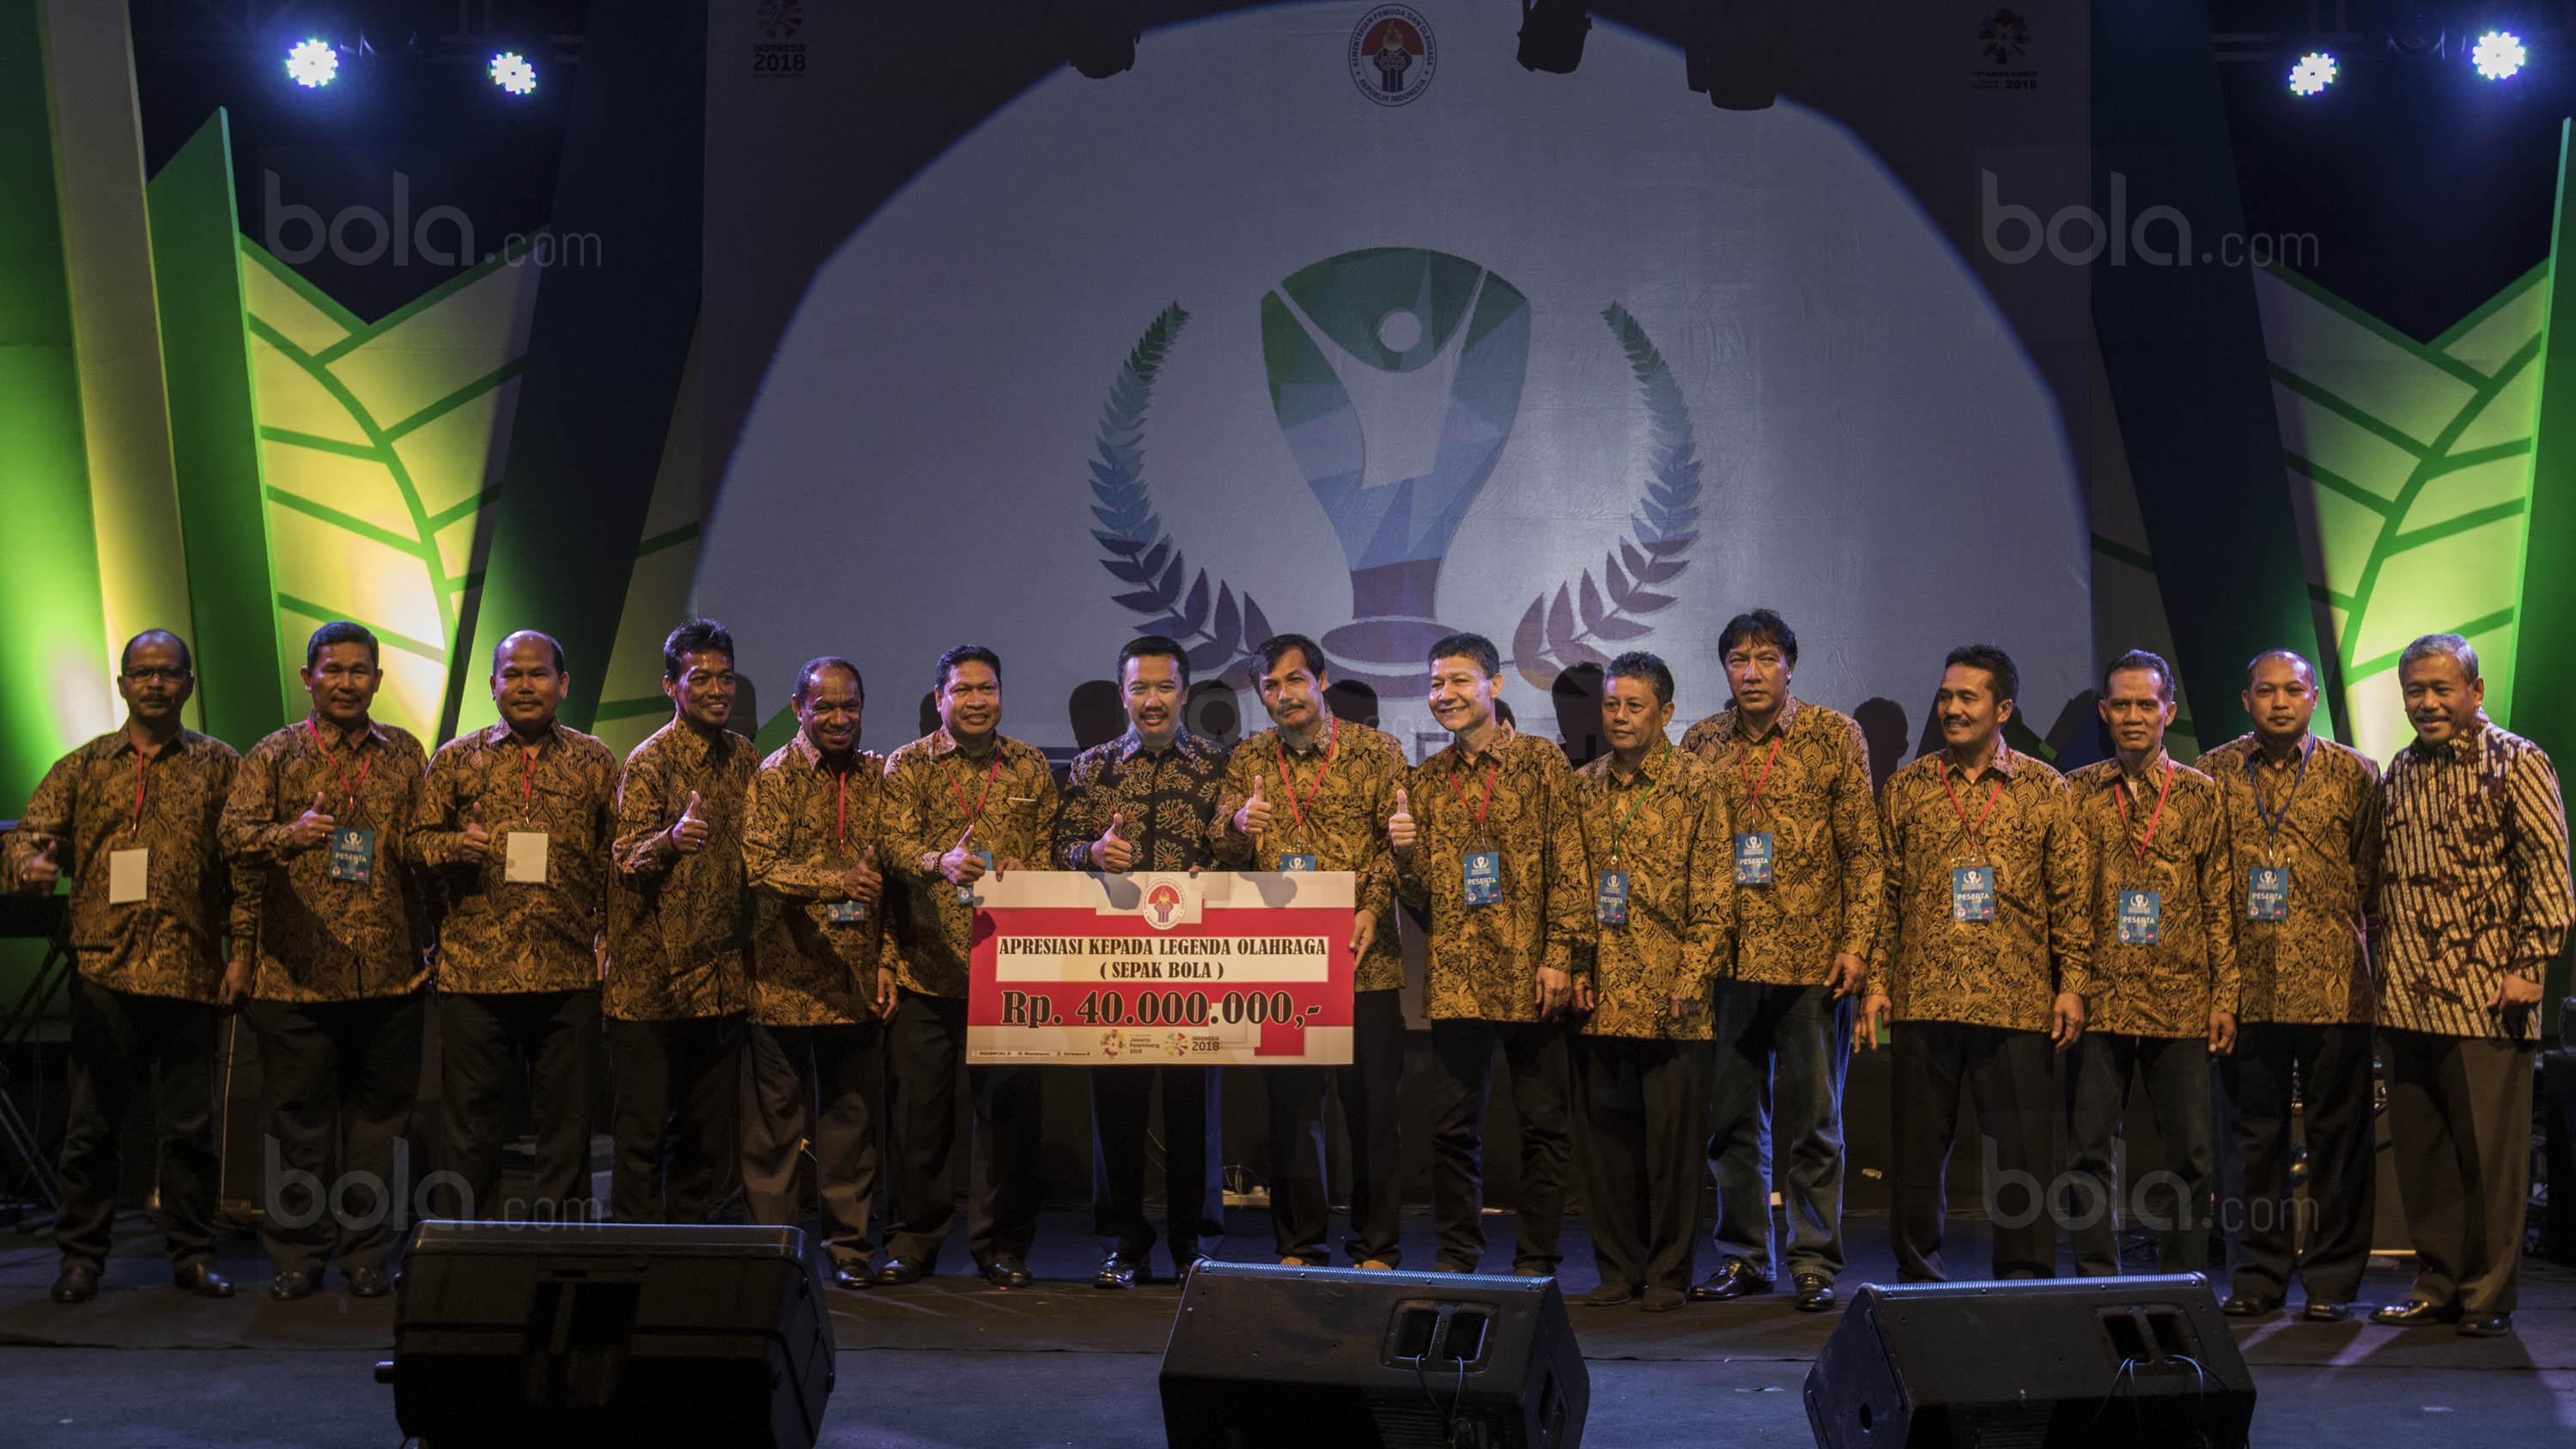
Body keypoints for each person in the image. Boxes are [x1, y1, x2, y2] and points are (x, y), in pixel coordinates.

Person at [9, 632, 244, 1303]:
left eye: (169, 673)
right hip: (103, 969)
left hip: (191, 972)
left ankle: (193, 1256)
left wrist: (242, 955)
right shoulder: (83, 767)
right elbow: (27, 836)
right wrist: (29, 865)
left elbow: (245, 871)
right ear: (122, 685)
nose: (155, 683)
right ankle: (81, 1260)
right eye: (142, 673)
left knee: (191, 1135)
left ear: (188, 685)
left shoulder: (220, 766)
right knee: (91, 1130)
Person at [1859, 644, 2090, 1282]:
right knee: (1917, 1152)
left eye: (1968, 697)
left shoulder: (2046, 788)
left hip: (2016, 1000)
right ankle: (1918, 1274)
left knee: (2022, 1153)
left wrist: (2072, 984)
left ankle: (2024, 1276)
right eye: (1946, 697)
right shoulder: (1907, 788)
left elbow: (2071, 896)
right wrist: (1877, 984)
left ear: (2004, 708)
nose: (1953, 709)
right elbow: (1887, 897)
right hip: (1924, 996)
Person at [2368, 634, 2573, 1337]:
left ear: (2475, 692)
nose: (2426, 702)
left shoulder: (2518, 761)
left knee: (2491, 1161)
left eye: (2441, 688)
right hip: (2405, 998)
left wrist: (2530, 965)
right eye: (2415, 691)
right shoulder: (2400, 767)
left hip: (2488, 998)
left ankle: (2488, 1296)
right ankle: (2438, 1286)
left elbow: (2549, 875)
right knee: (2423, 1158)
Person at [220, 621, 431, 1300]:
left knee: (377, 1125)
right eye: (332, 669)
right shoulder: (274, 754)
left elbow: (420, 851)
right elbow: (233, 839)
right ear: (308, 677)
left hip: (390, 974)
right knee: (299, 1126)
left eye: (359, 670)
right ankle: (297, 1257)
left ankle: (366, 1254)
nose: (346, 681)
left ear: (377, 678)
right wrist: (291, 834)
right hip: (296, 977)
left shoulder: (403, 753)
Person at [1680, 609, 1882, 1312]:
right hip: (1728, 963)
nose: (1752, 671)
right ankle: (1744, 1258)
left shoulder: (1833, 735)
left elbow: (1863, 851)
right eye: (1739, 659)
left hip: (1813, 964)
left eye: (1766, 658)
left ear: (1790, 665)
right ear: (1725, 670)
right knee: (1732, 1121)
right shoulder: (1701, 741)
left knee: (1815, 1122)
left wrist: (1857, 944)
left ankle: (1814, 1263)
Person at [1214, 634, 1409, 1270]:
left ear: (1321, 681)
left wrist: (1374, 907)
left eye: (1294, 680)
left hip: (1363, 957)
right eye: (1270, 686)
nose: (1284, 695)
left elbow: (1393, 847)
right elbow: (1223, 849)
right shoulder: (1248, 757)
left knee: (1372, 1109)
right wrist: (1239, 827)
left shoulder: (1376, 752)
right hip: (1282, 963)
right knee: (1292, 1109)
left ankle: (1376, 1245)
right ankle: (1299, 1242)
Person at [410, 631, 616, 1225]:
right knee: (471, 1124)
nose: (526, 686)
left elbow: (614, 858)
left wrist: (608, 943)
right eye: (513, 675)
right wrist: (456, 845)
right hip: (476, 971)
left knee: (567, 1125)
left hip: (570, 968)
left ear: (563, 684)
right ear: (493, 685)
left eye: (539, 674)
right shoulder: (455, 757)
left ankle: (559, 1246)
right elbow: (414, 845)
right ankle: (467, 1247)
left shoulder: (595, 759)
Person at [1394, 632, 1584, 1276]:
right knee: (1452, 1131)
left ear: (1494, 686)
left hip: (1533, 972)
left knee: (1544, 1128)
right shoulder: (1424, 781)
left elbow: (1571, 867)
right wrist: (1402, 854)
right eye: (1434, 684)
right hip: (1457, 981)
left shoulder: (1541, 763)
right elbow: (1417, 896)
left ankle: (1536, 1259)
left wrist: (1561, 953)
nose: (1443, 695)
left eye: (1457, 681)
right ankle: (1458, 1254)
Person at [2199, 649, 2380, 1321]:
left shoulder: (2356, 774)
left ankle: (2332, 1283)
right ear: (2246, 699)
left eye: (2293, 690)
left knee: (2340, 1140)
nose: (2279, 702)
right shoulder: (2212, 772)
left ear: (2312, 700)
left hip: (2336, 988)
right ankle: (2257, 1277)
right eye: (2266, 691)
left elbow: (2372, 879)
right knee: (2251, 1143)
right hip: (2246, 990)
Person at [877, 645, 1060, 1288]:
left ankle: (1003, 1245)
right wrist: (940, 862)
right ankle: (913, 1241)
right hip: (927, 968)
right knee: (920, 1121)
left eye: (987, 688)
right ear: (939, 699)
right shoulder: (907, 765)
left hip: (1010, 972)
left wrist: (1025, 872)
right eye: (963, 690)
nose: (976, 700)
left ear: (1001, 695)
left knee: (1009, 1123)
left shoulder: (1032, 765)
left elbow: (1048, 856)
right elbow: (891, 847)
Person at [1054, 635, 1232, 1288]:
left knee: (1196, 1115)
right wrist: (1091, 855)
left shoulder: (1220, 767)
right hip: (1113, 969)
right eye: (1139, 688)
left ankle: (1195, 1246)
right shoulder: (1091, 768)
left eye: (1164, 688)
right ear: (1121, 693)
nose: (1151, 701)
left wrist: (1210, 869)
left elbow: (1241, 854)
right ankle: (1124, 1245)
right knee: (1118, 1113)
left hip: (1198, 968)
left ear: (1185, 691)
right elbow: (1058, 849)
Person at [2061, 650, 2237, 1276]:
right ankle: (2094, 1277)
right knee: (2088, 1149)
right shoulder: (2076, 791)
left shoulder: (2201, 795)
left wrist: (2225, 997)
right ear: (2105, 712)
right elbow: (2067, 902)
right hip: (2098, 996)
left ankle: (2182, 1276)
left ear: (2168, 710)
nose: (2133, 717)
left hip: (2182, 997)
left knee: (2189, 1153)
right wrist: (2070, 986)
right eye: (2122, 705)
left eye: (2146, 704)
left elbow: (2221, 900)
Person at [1566, 652, 1729, 1311]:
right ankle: (1617, 1268)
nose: (1622, 717)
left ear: (1664, 712)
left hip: (1674, 998)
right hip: (1598, 996)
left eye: (1636, 706)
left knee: (1672, 1149)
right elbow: (1570, 894)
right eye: (1612, 705)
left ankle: (1666, 1273)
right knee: (1606, 1144)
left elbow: (1718, 894)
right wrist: (1576, 970)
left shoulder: (1697, 785)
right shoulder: (1582, 786)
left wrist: (1692, 976)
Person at [741, 657, 896, 1289]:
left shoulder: (879, 775)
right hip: (783, 981)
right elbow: (760, 867)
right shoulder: (773, 777)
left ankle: (850, 1249)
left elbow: (896, 885)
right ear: (799, 707)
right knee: (776, 1133)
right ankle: (774, 1255)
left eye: (850, 706)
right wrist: (837, 881)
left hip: (856, 984)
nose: (839, 718)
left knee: (850, 1127)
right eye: (824, 706)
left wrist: (887, 960)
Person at [605, 620, 756, 1223]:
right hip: (653, 987)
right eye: (702, 678)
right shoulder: (649, 762)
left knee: (706, 1135)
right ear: (671, 685)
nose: (718, 689)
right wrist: (670, 839)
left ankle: (691, 1256)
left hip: (720, 982)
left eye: (726, 677)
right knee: (641, 1133)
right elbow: (625, 861)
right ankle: (634, 1254)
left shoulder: (745, 756)